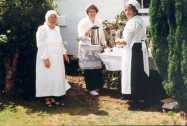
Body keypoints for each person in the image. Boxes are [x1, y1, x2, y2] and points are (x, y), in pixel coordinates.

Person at [115, 0, 150, 108]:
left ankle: (136, 102)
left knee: (133, 75)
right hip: (138, 48)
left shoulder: (133, 22)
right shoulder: (140, 20)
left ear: (135, 10)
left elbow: (126, 41)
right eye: (126, 10)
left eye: (130, 10)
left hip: (133, 50)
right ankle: (139, 98)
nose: (127, 12)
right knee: (139, 73)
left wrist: (116, 39)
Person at [36, 10, 71, 107]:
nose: (53, 19)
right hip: (47, 56)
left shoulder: (57, 29)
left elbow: (60, 43)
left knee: (55, 77)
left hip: (57, 58)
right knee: (46, 77)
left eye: (54, 17)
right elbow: (40, 44)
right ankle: (47, 98)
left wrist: (64, 53)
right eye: (51, 17)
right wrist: (45, 58)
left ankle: (53, 97)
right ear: (46, 18)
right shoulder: (42, 29)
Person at [78, 4, 106, 96]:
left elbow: (101, 34)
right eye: (90, 11)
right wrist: (87, 32)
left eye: (93, 11)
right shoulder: (83, 22)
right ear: (87, 12)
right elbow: (80, 37)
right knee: (89, 69)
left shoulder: (98, 22)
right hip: (86, 48)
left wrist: (104, 44)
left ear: (96, 12)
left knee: (96, 68)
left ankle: (97, 86)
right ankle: (90, 88)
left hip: (96, 48)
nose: (92, 13)